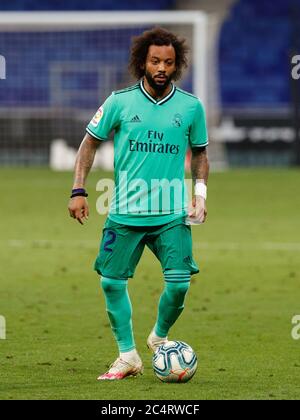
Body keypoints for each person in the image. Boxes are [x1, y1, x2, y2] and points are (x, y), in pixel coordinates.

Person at [68, 27, 209, 381]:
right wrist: (78, 190)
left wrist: (200, 195)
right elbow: (89, 144)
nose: (162, 68)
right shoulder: (119, 101)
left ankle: (159, 337)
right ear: (142, 63)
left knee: (178, 286)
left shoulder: (191, 106)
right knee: (111, 283)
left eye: (169, 62)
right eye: (155, 61)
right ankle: (127, 356)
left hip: (172, 213)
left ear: (177, 66)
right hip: (125, 213)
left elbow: (201, 153)